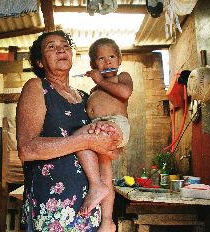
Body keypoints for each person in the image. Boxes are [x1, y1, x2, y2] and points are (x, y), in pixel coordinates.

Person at [16, 31, 121, 232]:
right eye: (51, 47)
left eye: (65, 45)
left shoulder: (85, 98)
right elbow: (26, 149)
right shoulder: (37, 87)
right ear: (39, 62)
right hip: (52, 211)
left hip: (89, 213)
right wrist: (86, 140)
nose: (61, 49)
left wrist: (107, 219)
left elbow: (106, 157)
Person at [74, 38, 133, 231]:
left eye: (112, 56)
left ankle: (95, 185)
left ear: (120, 59)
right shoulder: (94, 89)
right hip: (99, 126)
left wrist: (100, 80)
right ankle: (107, 221)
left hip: (115, 124)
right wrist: (96, 86)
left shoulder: (121, 77)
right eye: (101, 59)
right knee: (105, 170)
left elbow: (124, 93)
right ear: (93, 65)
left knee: (78, 139)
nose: (107, 62)